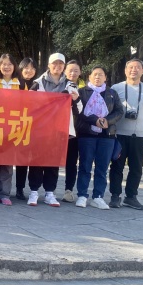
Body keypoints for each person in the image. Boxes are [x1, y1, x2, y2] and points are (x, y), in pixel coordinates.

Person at [27, 53, 80, 207]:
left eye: (60, 64)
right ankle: (34, 191)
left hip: (59, 130)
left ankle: (50, 192)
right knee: (36, 160)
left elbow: (80, 109)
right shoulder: (38, 83)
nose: (57, 66)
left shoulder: (70, 85)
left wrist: (75, 99)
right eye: (54, 64)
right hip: (40, 129)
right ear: (48, 65)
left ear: (64, 66)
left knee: (53, 161)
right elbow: (28, 103)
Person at [109, 58, 143, 210]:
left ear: (142, 71)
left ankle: (131, 197)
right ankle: (115, 196)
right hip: (119, 134)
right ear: (125, 70)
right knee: (116, 166)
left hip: (140, 135)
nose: (134, 70)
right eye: (131, 67)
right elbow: (109, 109)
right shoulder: (116, 88)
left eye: (138, 67)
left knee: (136, 168)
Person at [75, 66, 124, 209]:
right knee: (85, 166)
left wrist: (107, 121)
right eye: (95, 74)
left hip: (107, 135)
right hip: (87, 134)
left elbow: (119, 111)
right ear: (89, 77)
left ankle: (98, 196)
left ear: (105, 78)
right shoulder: (82, 92)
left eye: (101, 75)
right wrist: (94, 120)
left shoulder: (112, 93)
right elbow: (78, 111)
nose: (97, 77)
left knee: (102, 167)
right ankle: (82, 195)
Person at [0, 54, 21, 205]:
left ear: (14, 67)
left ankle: (5, 193)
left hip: (13, 126)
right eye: (4, 64)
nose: (6, 67)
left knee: (7, 161)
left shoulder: (20, 84)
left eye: (10, 64)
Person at [62, 60, 85, 203]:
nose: (73, 73)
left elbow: (82, 111)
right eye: (70, 70)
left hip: (75, 131)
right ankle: (48, 190)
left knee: (71, 162)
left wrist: (76, 100)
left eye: (76, 70)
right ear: (65, 71)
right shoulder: (59, 86)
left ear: (80, 72)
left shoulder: (84, 89)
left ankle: (68, 190)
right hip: (58, 130)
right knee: (52, 161)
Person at [14, 57, 37, 200]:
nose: (29, 71)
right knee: (21, 160)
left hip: (35, 127)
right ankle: (19, 188)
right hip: (17, 126)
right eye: (26, 68)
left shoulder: (38, 84)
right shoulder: (16, 83)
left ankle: (32, 189)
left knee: (33, 159)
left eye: (32, 68)